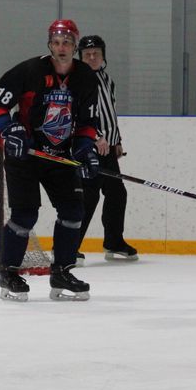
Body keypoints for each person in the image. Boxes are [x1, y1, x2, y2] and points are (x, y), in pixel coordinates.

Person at [0, 19, 100, 301]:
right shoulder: (29, 70)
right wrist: (10, 129)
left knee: (74, 212)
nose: (61, 48)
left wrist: (85, 149)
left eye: (67, 43)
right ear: (50, 45)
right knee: (25, 215)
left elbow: (88, 121)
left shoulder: (85, 76)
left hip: (59, 157)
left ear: (74, 46)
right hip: (25, 155)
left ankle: (61, 270)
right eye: (56, 43)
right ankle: (9, 272)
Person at [74, 34, 137, 265]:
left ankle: (113, 242)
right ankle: (69, 246)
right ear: (80, 57)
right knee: (87, 196)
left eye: (96, 54)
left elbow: (109, 113)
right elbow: (77, 115)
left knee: (117, 193)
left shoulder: (107, 80)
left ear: (103, 56)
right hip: (87, 147)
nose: (92, 57)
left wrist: (116, 140)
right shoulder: (76, 81)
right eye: (87, 54)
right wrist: (97, 137)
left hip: (107, 149)